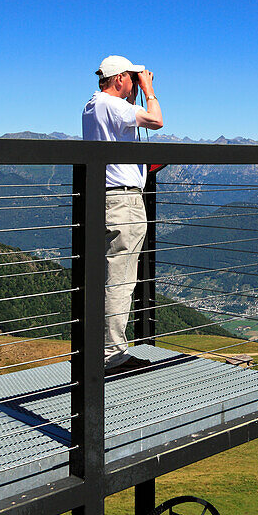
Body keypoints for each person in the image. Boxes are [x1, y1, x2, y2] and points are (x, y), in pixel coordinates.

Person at [82, 55, 163, 373]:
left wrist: (134, 88)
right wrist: (150, 90)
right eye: (130, 76)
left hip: (101, 197)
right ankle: (112, 356)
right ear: (119, 79)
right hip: (123, 202)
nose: (136, 81)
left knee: (106, 276)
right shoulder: (112, 106)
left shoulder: (93, 105)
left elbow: (124, 118)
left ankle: (101, 350)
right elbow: (156, 121)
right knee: (120, 281)